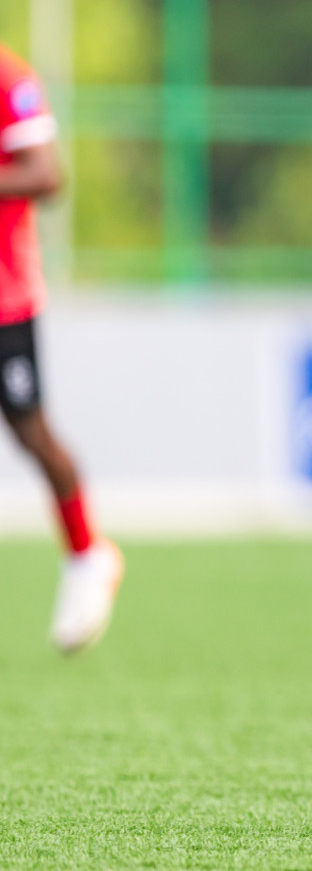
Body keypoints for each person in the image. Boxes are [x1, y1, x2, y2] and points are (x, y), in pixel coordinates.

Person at [0, 41, 122, 653]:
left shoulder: (9, 75)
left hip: (5, 299)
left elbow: (47, 175)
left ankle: (87, 554)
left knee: (31, 432)